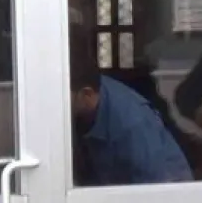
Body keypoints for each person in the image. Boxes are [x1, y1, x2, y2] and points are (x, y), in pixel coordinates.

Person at [69, 32, 193, 186]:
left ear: (86, 94)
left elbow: (158, 189)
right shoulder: (86, 100)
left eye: (62, 94)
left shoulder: (133, 124)